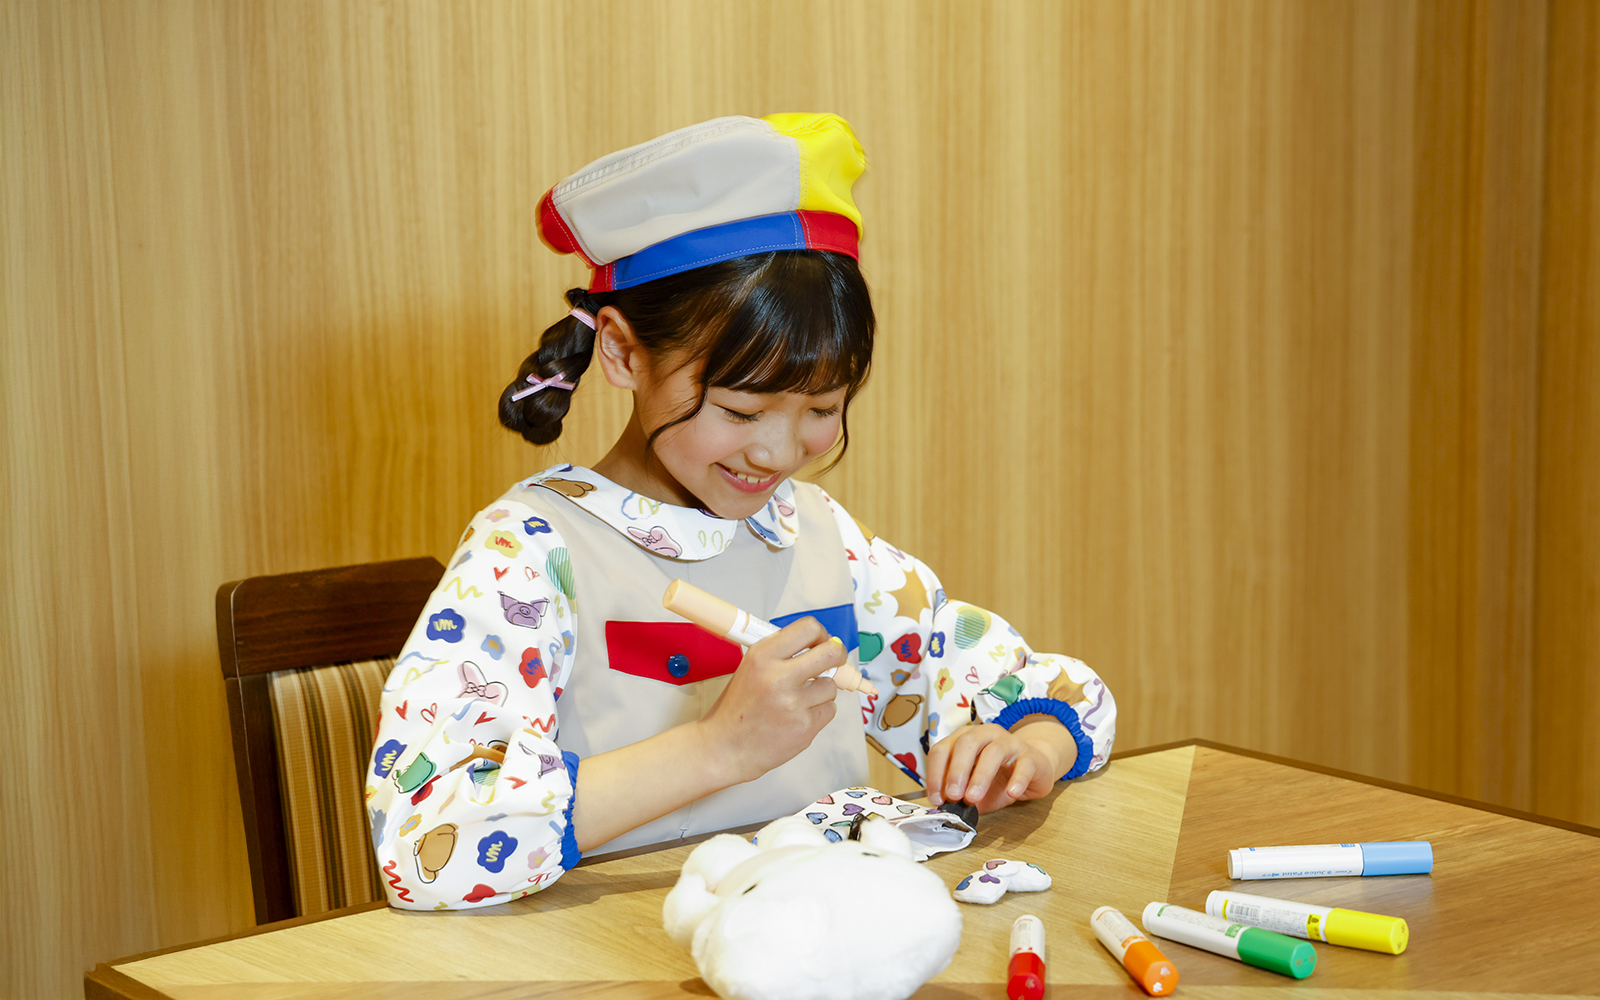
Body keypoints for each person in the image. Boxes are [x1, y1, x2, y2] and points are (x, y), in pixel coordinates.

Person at [367, 113, 1117, 910]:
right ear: (623, 352)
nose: (778, 453)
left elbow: (1052, 694)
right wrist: (716, 748)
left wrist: (1024, 746)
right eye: (741, 409)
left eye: (822, 408)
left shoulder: (822, 537)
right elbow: (424, 847)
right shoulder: (530, 553)